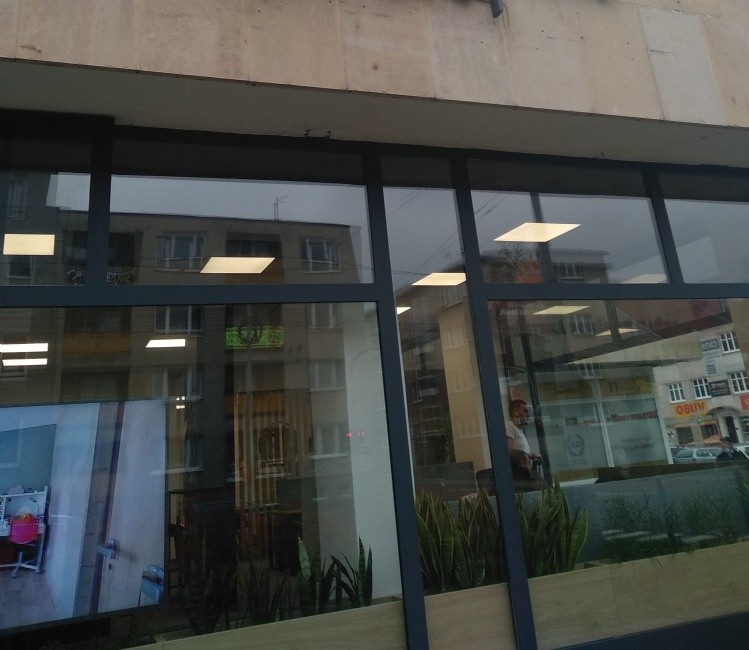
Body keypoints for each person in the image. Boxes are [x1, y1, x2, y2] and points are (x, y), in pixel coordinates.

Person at [505, 399, 541, 466]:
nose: (528, 415)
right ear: (515, 412)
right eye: (525, 411)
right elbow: (512, 452)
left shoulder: (519, 430)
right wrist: (533, 456)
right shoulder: (508, 426)